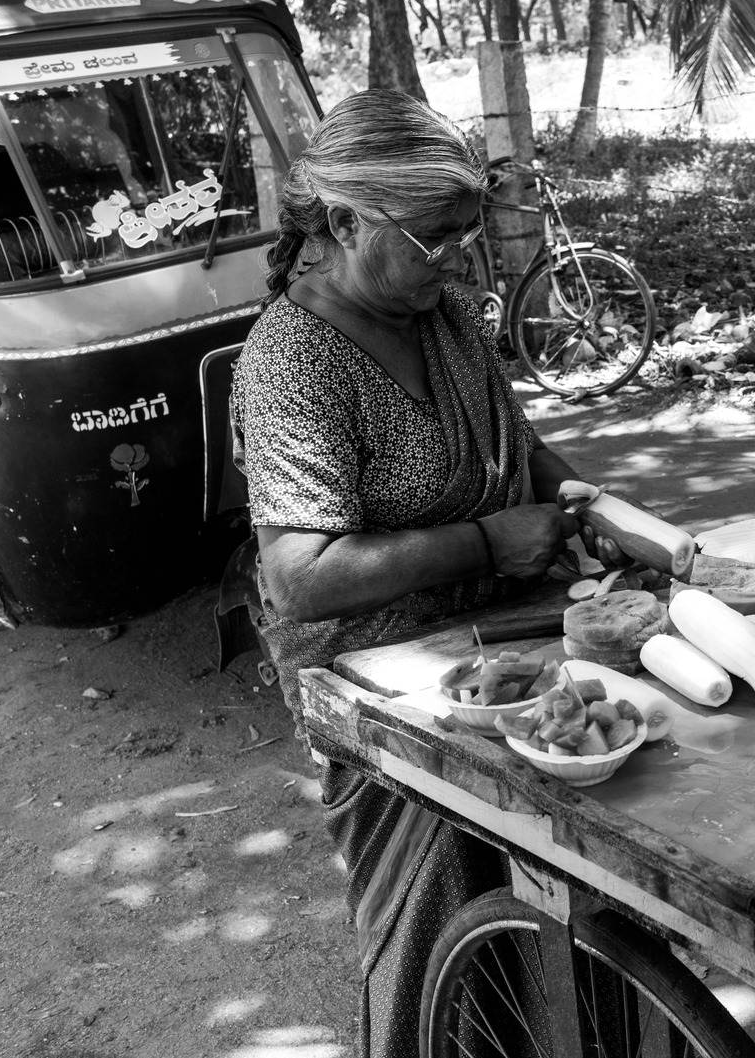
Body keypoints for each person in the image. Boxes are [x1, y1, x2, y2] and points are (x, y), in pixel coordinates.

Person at [231, 89, 629, 1056]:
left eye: (466, 234)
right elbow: (300, 578)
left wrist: (592, 507)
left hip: (501, 645)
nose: (457, 258)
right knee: (445, 923)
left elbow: (519, 444)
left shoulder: (442, 312)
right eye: (436, 236)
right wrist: (489, 543)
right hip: (375, 676)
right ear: (342, 222)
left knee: (578, 898)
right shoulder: (291, 364)